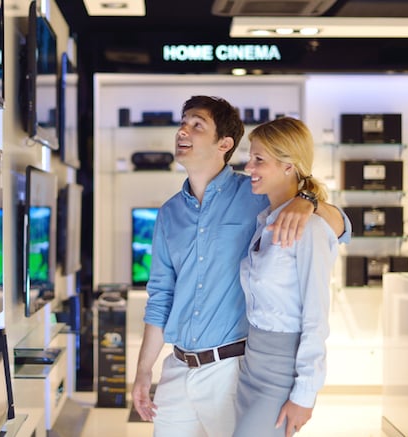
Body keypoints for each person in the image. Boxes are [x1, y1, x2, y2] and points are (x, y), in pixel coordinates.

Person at [131, 96, 350, 437]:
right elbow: (161, 297)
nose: (182, 130)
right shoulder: (169, 213)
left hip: (231, 369)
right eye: (183, 121)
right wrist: (144, 371)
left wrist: (306, 202)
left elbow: (341, 227)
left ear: (225, 144)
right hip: (176, 368)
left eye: (196, 124)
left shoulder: (257, 193)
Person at [234, 117, 338, 437]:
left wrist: (305, 394)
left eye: (259, 160)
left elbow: (316, 316)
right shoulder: (264, 221)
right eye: (250, 157)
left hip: (282, 371)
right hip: (250, 364)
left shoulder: (312, 229)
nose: (249, 166)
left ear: (289, 166)